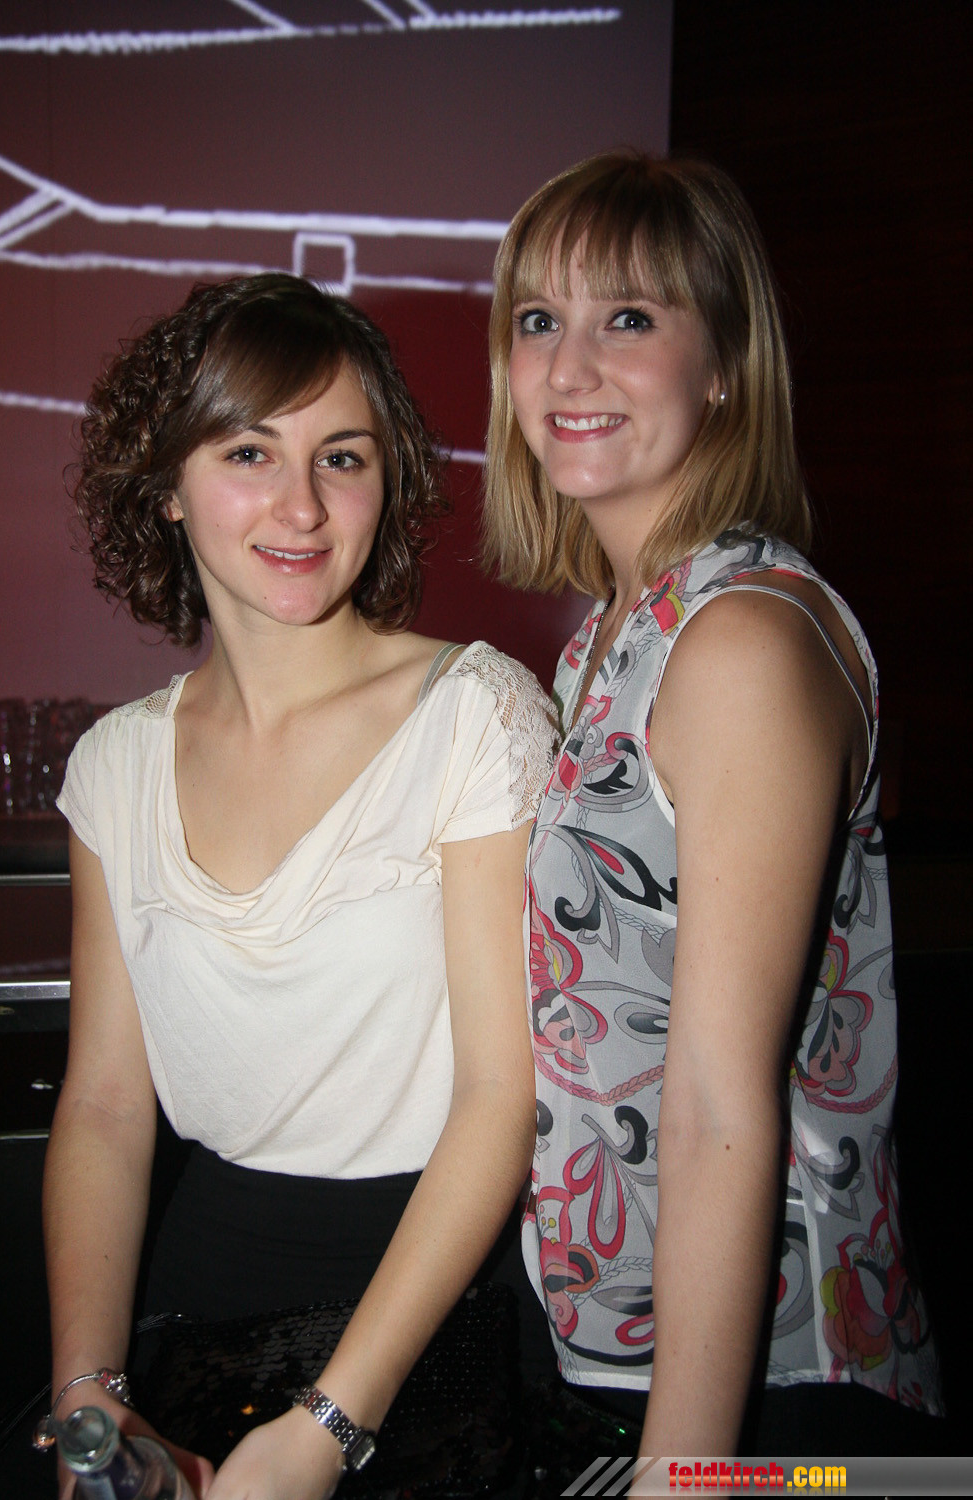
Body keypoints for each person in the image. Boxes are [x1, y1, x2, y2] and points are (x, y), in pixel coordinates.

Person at [41, 272, 557, 1499]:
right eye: (247, 452)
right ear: (166, 484)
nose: (302, 505)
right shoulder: (114, 765)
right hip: (193, 1301)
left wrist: (328, 1426)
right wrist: (87, 1396)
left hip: (431, 1314)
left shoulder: (474, 713)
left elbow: (500, 1098)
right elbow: (105, 1108)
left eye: (342, 457)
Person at [482, 151, 941, 1461]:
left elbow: (719, 1103)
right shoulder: (612, 631)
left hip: (773, 1386)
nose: (569, 368)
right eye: (538, 319)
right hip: (628, 1345)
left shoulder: (737, 639)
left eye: (627, 317)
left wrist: (685, 1473)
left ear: (724, 363)